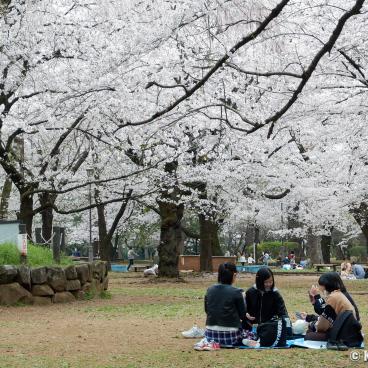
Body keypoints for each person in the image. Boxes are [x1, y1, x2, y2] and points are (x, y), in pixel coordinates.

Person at [195, 262, 246, 350]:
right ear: (234, 275)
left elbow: (207, 310)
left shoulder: (209, 289)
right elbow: (243, 315)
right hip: (231, 336)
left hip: (210, 334)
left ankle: (211, 343)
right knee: (250, 334)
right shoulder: (237, 292)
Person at [304, 272, 361, 343]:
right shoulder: (339, 294)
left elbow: (323, 323)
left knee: (308, 335)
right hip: (349, 329)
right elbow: (327, 313)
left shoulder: (333, 297)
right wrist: (315, 302)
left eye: (321, 285)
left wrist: (313, 325)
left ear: (328, 285)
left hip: (344, 333)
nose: (320, 288)